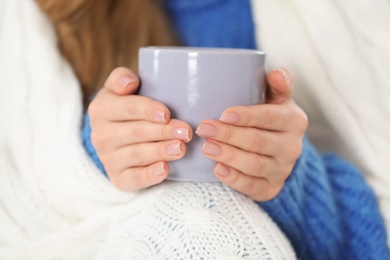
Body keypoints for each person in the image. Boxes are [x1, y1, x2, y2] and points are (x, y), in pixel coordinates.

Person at [0, 0, 388, 259]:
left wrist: (290, 179)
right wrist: (101, 157)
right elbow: (23, 213)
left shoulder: (353, 16)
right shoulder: (32, 21)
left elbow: (375, 237)